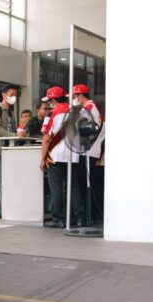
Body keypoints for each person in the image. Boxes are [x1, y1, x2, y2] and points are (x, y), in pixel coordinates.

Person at [39, 86, 84, 228]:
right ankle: (79, 218)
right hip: (73, 153)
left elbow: (46, 138)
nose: (49, 104)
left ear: (53, 100)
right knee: (74, 186)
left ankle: (58, 219)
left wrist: (42, 158)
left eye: (49, 101)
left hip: (56, 155)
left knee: (56, 187)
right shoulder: (77, 111)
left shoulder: (52, 113)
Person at [0, 84, 25, 219]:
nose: (14, 98)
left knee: (6, 180)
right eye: (12, 95)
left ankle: (1, 208)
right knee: (3, 180)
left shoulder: (11, 112)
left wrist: (19, 133)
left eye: (16, 95)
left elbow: (12, 129)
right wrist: (13, 135)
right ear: (4, 95)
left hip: (10, 150)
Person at [72, 83, 104, 223]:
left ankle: (90, 216)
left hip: (88, 151)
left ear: (80, 96)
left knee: (87, 184)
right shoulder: (90, 107)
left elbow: (79, 126)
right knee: (89, 183)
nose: (74, 99)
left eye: (75, 96)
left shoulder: (89, 108)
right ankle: (91, 215)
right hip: (89, 151)